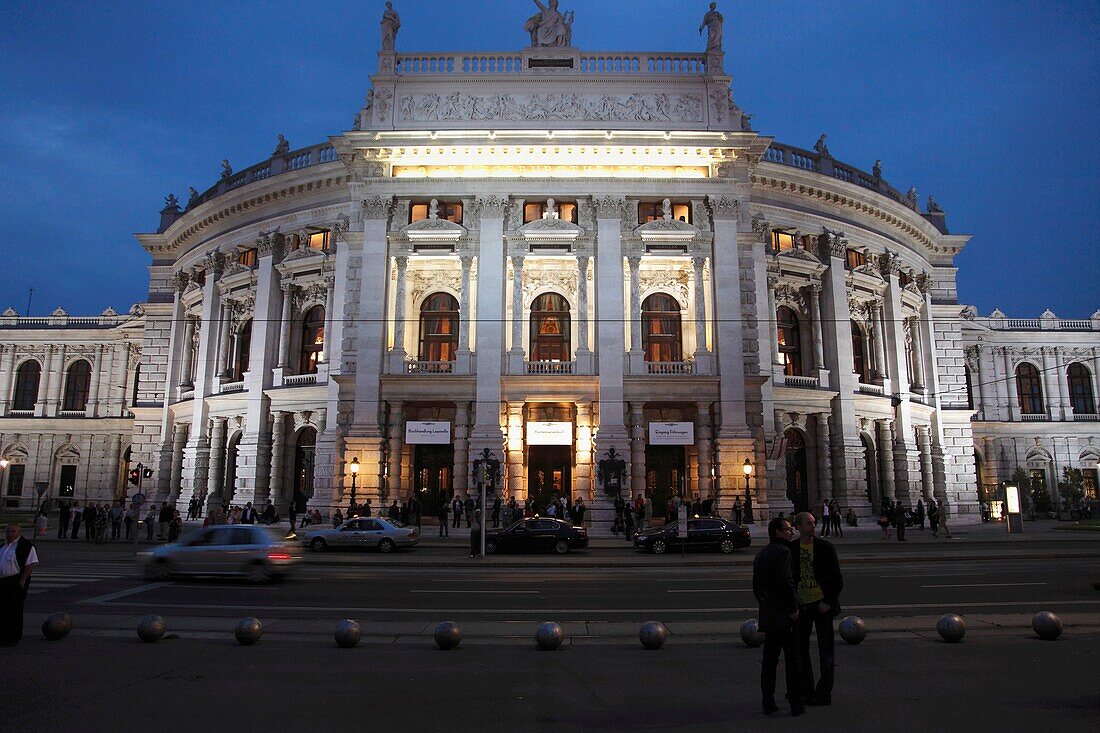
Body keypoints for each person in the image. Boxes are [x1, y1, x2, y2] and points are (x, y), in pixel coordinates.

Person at [752, 516, 803, 716]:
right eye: (788, 529)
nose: (792, 532)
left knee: (769, 662)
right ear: (777, 532)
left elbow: (756, 587)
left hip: (768, 614)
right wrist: (793, 607)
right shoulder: (784, 551)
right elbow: (786, 581)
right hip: (784, 615)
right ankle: (796, 704)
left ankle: (768, 702)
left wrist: (765, 604)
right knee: (793, 661)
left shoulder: (761, 553)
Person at [792, 511, 843, 707]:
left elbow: (837, 580)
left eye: (814, 523)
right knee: (801, 651)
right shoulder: (793, 548)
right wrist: (795, 603)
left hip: (822, 606)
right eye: (808, 523)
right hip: (803, 607)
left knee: (826, 652)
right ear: (798, 527)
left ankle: (824, 694)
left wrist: (828, 602)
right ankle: (807, 691)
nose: (812, 526)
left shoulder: (825, 547)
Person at [0, 523, 39, 646]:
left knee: (14, 609)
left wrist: (23, 579)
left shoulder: (26, 546)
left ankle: (13, 637)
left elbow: (30, 564)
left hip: (16, 580)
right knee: (3, 609)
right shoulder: (4, 546)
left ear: (19, 532)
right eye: (8, 531)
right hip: (3, 581)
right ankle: (3, 635)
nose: (10, 534)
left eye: (13, 531)